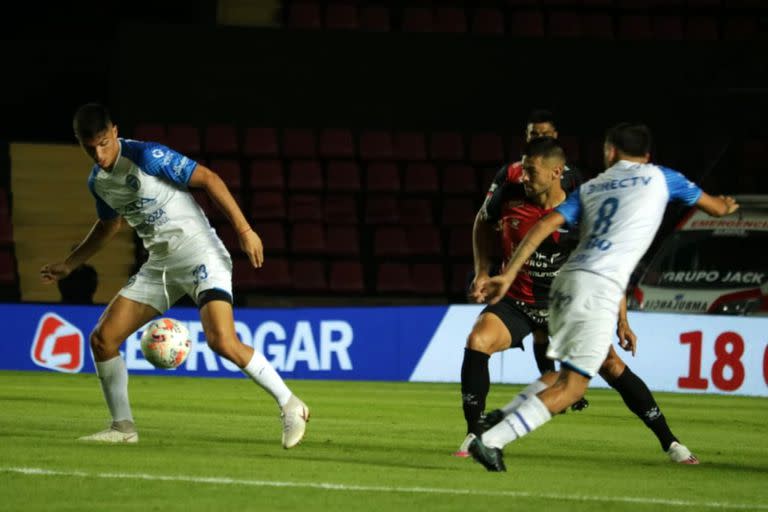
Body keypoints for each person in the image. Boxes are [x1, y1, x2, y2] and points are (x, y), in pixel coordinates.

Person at [468, 124, 738, 471]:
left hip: (565, 283)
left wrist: (506, 274)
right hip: (597, 287)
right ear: (647, 155)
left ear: (610, 153)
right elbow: (714, 208)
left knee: (568, 375)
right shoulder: (661, 177)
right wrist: (727, 206)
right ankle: (492, 440)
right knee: (575, 387)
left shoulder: (592, 187)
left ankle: (498, 418)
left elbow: (542, 226)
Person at [40, 104, 309, 448]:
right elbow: (110, 225)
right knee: (102, 340)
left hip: (201, 254)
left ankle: (291, 405)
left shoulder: (148, 156)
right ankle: (123, 428)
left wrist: (244, 230)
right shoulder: (99, 183)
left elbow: (209, 179)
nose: (99, 153)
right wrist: (71, 263)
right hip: (161, 266)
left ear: (115, 132)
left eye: (104, 143)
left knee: (221, 341)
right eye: (89, 147)